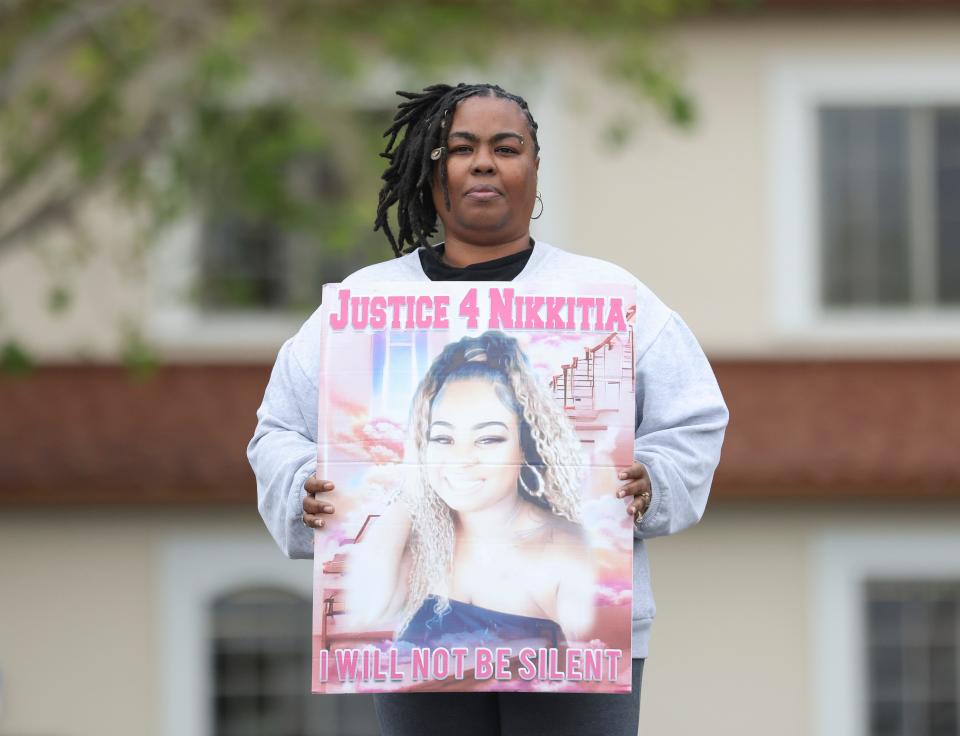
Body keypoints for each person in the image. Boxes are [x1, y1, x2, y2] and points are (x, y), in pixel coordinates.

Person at [249, 82, 729, 736]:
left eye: (507, 148)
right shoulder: (362, 307)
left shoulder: (609, 298)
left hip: (583, 655)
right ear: (428, 168)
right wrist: (304, 487)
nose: (483, 163)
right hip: (412, 645)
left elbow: (694, 418)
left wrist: (657, 479)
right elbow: (278, 427)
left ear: (534, 169)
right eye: (459, 148)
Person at [342, 330, 594, 651]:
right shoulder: (420, 542)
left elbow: (592, 671)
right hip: (426, 704)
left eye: (488, 439)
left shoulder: (567, 551)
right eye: (443, 439)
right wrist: (414, 492)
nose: (461, 460)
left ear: (525, 446)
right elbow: (365, 613)